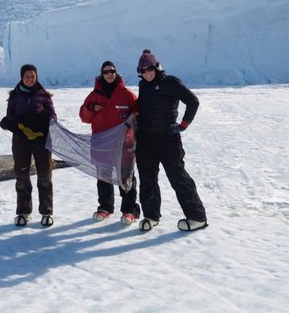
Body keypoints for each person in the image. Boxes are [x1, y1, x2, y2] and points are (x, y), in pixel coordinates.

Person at [134, 49, 208, 231]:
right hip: (145, 141)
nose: (147, 73)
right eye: (143, 70)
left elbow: (193, 101)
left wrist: (182, 125)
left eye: (149, 68)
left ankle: (197, 217)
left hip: (168, 141)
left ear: (156, 67)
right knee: (147, 179)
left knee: (178, 178)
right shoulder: (143, 86)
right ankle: (151, 216)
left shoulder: (171, 83)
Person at [79, 61, 141, 225]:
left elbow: (138, 109)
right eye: (106, 71)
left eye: (112, 71)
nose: (109, 74)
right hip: (102, 144)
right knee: (103, 177)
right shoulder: (94, 95)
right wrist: (91, 107)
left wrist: (133, 115)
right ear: (102, 74)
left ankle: (129, 210)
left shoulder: (126, 94)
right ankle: (105, 207)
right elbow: (84, 117)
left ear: (116, 73)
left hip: (123, 144)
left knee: (126, 177)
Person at [0, 64, 57, 227]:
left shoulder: (44, 96)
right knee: (22, 175)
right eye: (27, 76)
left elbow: (53, 117)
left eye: (32, 76)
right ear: (22, 78)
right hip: (21, 141)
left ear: (36, 77)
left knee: (44, 175)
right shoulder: (14, 96)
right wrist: (11, 124)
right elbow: (10, 116)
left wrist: (42, 122)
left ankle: (46, 211)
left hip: (42, 140)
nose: (30, 79)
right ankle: (24, 212)